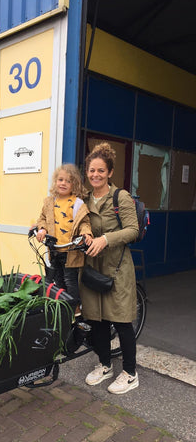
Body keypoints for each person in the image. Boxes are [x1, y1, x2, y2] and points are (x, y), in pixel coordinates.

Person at [81, 142, 139, 394]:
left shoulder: (120, 197)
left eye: (101, 171)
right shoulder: (83, 198)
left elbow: (133, 230)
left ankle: (130, 373)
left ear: (110, 173)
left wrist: (105, 239)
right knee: (98, 320)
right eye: (92, 170)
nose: (95, 175)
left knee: (122, 321)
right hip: (92, 266)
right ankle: (105, 365)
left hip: (117, 267)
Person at [35, 164, 92, 350]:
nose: (63, 183)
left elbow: (84, 223)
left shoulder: (77, 204)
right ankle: (59, 313)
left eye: (68, 181)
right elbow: (42, 218)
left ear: (74, 184)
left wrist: (86, 235)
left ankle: (74, 310)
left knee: (70, 281)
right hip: (54, 250)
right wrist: (41, 229)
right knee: (54, 282)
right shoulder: (49, 202)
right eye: (60, 180)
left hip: (71, 252)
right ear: (55, 182)